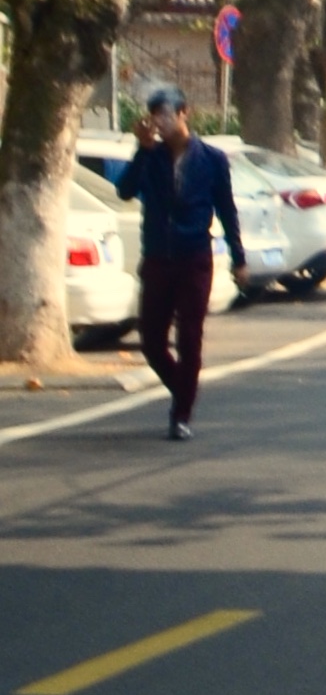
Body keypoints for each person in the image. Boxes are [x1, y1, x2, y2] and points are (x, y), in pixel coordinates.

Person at [110, 85, 246, 440]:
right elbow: (124, 191)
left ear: (184, 113)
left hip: (194, 257)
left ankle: (181, 414)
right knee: (152, 340)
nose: (161, 124)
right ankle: (183, 387)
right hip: (157, 257)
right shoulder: (150, 157)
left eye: (167, 115)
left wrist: (238, 257)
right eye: (155, 118)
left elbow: (227, 210)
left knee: (190, 338)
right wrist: (142, 149)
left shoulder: (212, 159)